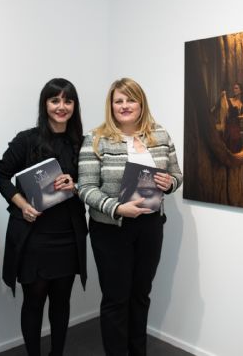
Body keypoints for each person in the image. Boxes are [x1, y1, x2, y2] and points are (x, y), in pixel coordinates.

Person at [78, 77, 183, 356]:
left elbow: (176, 174)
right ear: (111, 106)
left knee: (140, 295)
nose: (125, 106)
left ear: (141, 103)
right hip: (111, 229)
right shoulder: (95, 139)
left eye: (131, 99)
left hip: (150, 225)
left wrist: (169, 183)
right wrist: (116, 208)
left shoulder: (160, 136)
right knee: (116, 299)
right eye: (119, 101)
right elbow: (85, 188)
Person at [0, 78, 88, 356]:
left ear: (74, 106)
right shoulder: (27, 140)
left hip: (68, 236)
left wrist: (75, 185)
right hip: (33, 235)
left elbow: (91, 185)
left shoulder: (83, 144)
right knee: (33, 302)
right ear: (45, 104)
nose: (61, 106)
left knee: (61, 302)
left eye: (68, 101)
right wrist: (21, 204)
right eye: (54, 100)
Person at [220, 82, 243, 151]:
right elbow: (225, 114)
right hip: (231, 124)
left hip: (240, 125)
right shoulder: (229, 100)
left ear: (241, 90)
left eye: (236, 88)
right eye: (234, 88)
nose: (234, 90)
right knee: (235, 137)